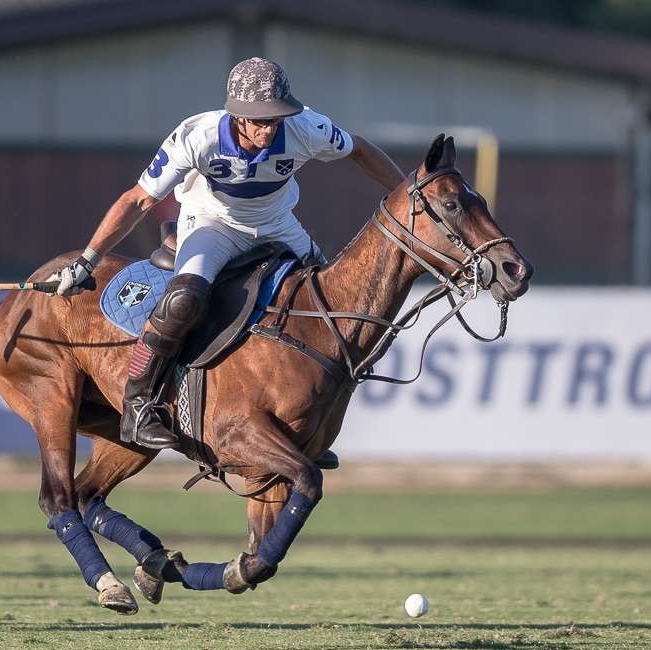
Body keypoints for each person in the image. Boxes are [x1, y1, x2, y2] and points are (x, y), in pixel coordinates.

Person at [48, 57, 405, 451]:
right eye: (260, 120)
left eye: (276, 118)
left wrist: (409, 195)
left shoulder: (306, 126)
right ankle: (139, 405)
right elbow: (138, 201)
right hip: (211, 224)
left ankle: (313, 423)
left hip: (277, 225)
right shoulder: (196, 136)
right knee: (183, 299)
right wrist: (89, 260)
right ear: (237, 116)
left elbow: (361, 150)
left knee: (331, 306)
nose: (270, 128)